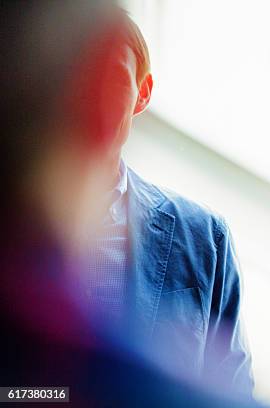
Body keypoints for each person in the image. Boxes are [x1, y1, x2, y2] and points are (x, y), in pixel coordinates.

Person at [0, 2, 254, 404]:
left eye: (109, 82)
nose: (86, 100)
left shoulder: (203, 237)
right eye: (71, 79)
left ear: (143, 94)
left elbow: (232, 385)